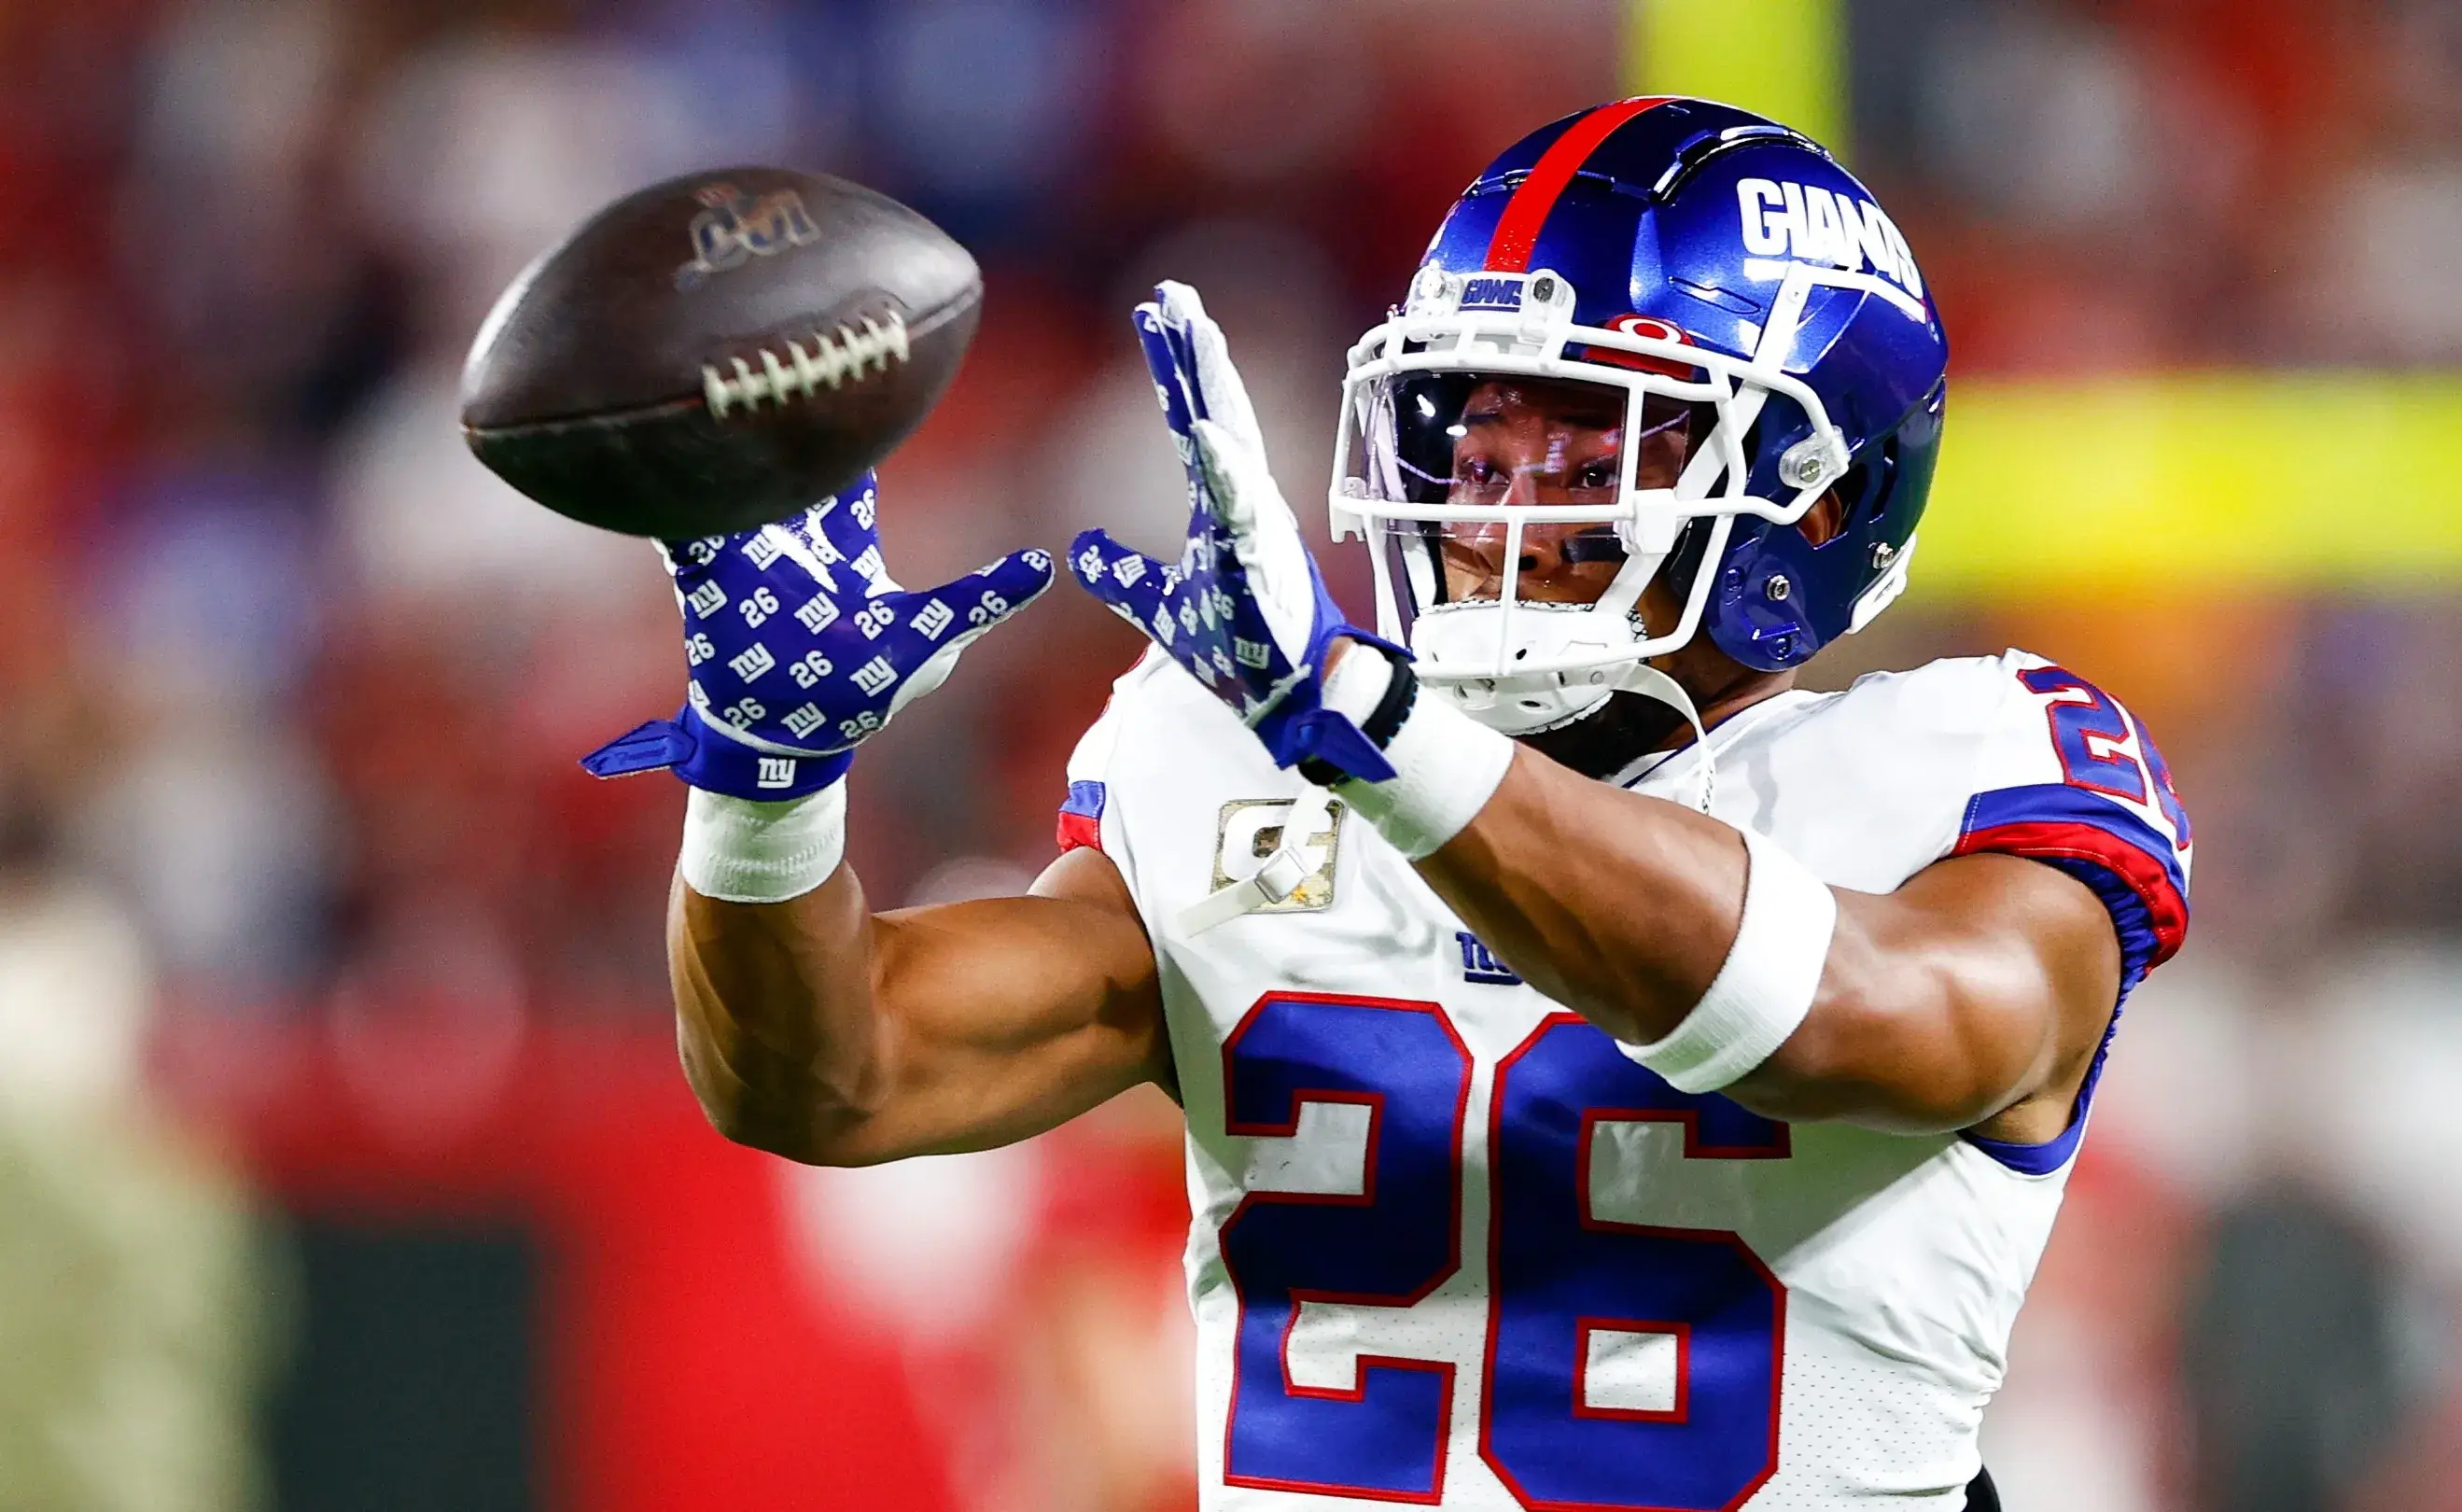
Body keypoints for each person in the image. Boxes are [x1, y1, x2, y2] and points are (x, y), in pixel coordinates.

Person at [585, 97, 2192, 1510]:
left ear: (1815, 494)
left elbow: (1862, 1023)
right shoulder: (1236, 746)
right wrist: (763, 790)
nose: (1491, 502)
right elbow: (833, 1078)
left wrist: (1374, 734)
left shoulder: (1970, 761)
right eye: (1473, 432)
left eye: (1588, 446)